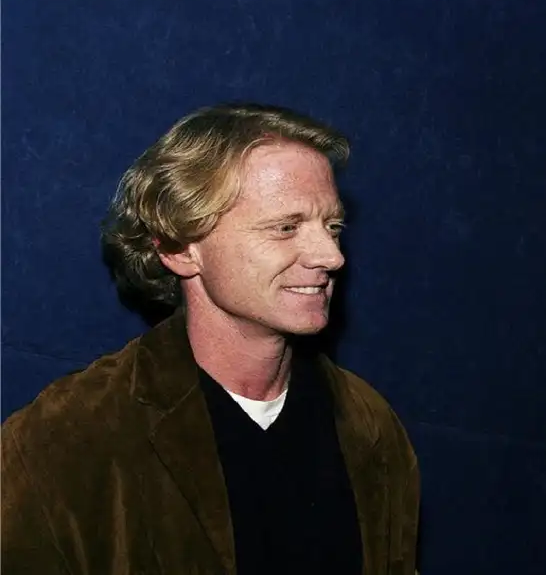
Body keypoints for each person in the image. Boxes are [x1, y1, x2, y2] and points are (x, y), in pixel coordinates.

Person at [1, 103, 420, 575]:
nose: (331, 256)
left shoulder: (370, 426)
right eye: (285, 227)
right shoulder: (67, 438)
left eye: (332, 226)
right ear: (178, 248)